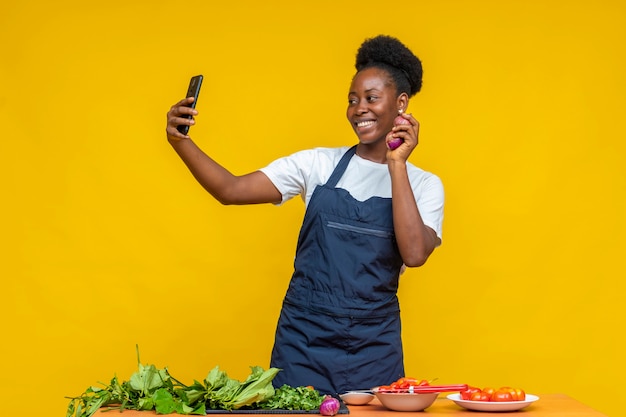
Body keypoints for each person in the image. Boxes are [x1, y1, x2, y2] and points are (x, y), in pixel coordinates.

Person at [165, 35, 444, 394]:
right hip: (303, 343)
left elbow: (415, 254)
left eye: (371, 98)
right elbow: (231, 191)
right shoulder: (317, 164)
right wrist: (181, 142)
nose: (360, 109)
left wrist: (396, 164)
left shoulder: (424, 185)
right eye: (352, 100)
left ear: (401, 104)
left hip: (375, 347)